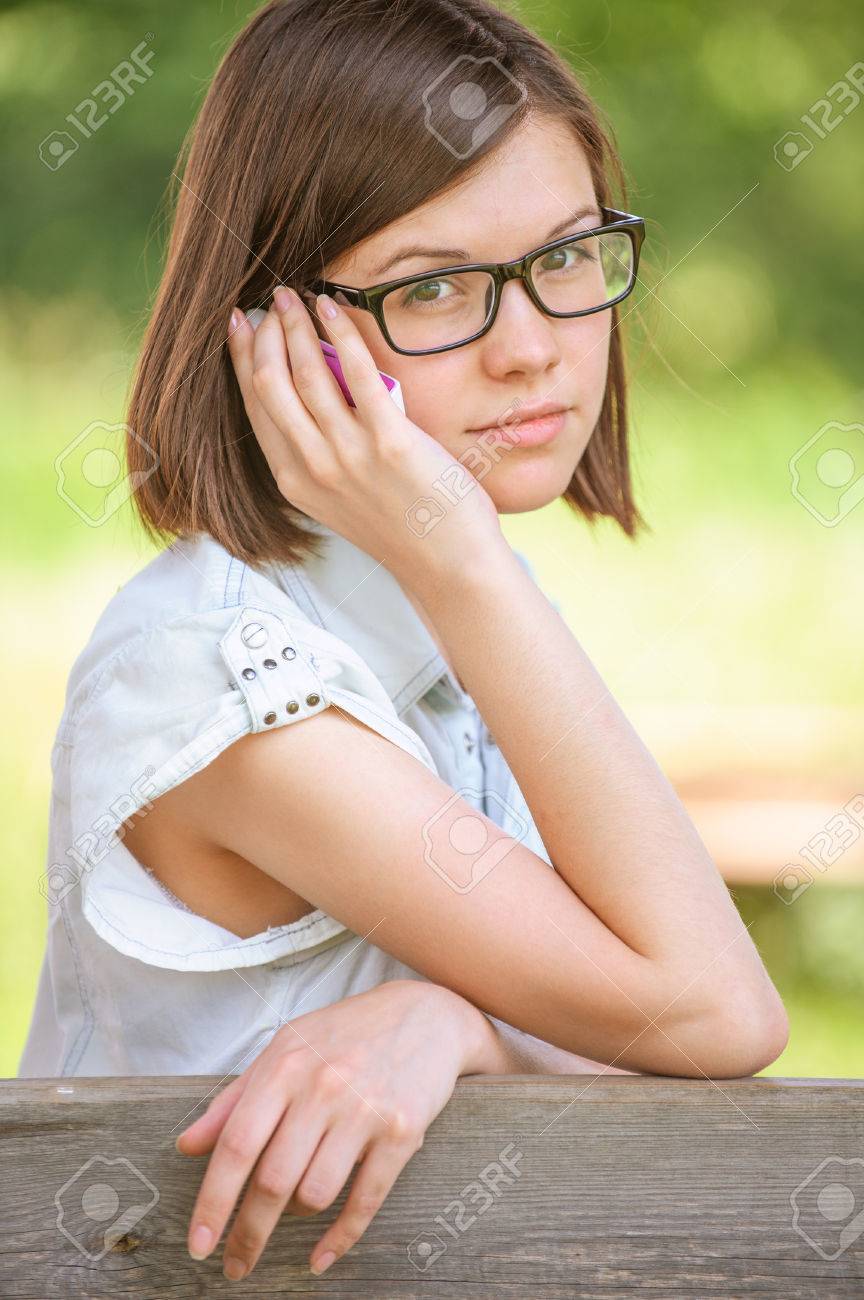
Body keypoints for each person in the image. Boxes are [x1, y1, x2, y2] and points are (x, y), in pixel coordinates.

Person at [18, 0, 789, 1281]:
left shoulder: (422, 624)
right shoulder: (222, 681)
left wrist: (460, 1029)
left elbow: (649, 1024)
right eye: (434, 287)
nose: (534, 347)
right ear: (273, 330)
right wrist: (461, 547)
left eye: (565, 258)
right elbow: (716, 1011)